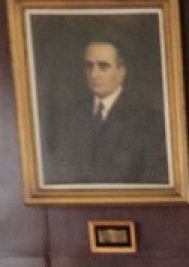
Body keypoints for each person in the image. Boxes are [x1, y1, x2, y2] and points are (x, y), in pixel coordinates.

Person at [45, 39, 168, 185]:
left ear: (121, 72)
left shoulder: (148, 120)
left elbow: (153, 179)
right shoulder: (71, 116)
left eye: (103, 66)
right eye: (89, 66)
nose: (94, 74)